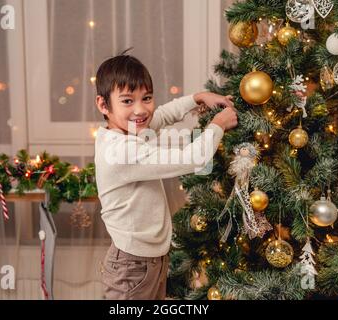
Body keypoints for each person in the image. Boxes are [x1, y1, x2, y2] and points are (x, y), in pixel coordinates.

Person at [94, 53, 237, 299]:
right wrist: (218, 125)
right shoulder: (120, 151)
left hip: (149, 258)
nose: (141, 109)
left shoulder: (128, 131)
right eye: (127, 101)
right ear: (104, 105)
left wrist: (198, 98)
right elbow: (194, 158)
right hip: (133, 265)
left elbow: (163, 114)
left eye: (146, 98)